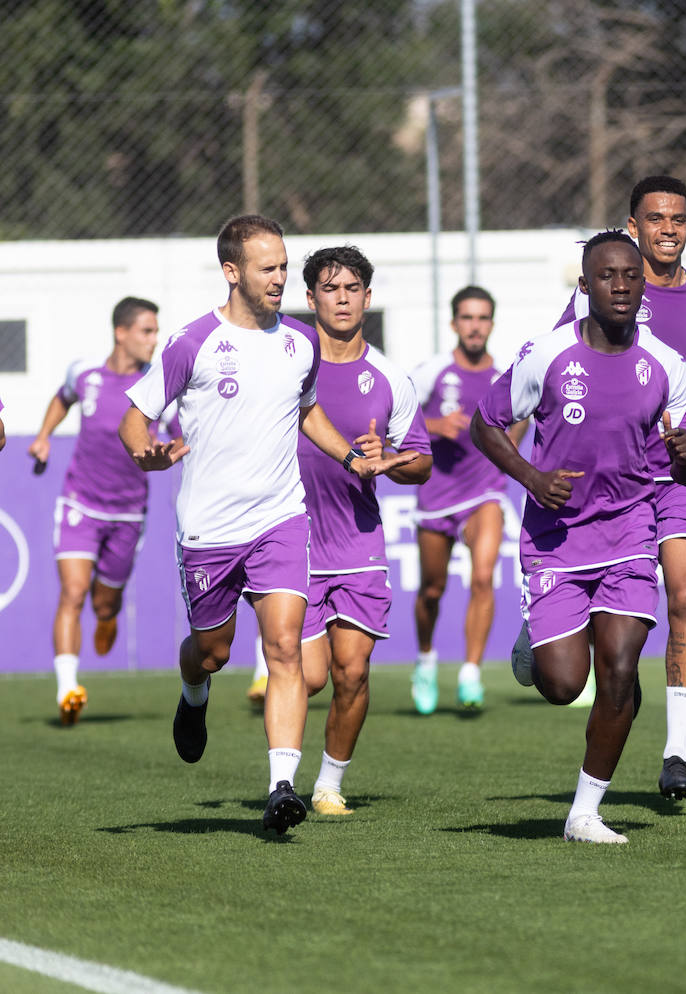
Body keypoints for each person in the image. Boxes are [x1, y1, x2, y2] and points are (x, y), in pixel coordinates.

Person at [118, 214, 415, 835]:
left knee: (285, 650)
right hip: (207, 528)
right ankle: (194, 691)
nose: (280, 278)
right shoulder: (190, 342)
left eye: (283, 266)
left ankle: (282, 785)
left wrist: (353, 457)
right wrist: (143, 450)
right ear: (233, 272)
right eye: (267, 268)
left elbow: (308, 413)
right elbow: (135, 417)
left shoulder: (299, 344)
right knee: (214, 651)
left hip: (280, 520)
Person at [471, 230, 686, 844]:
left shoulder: (666, 366)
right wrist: (532, 477)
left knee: (620, 672)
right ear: (585, 286)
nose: (621, 285)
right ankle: (534, 639)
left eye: (631, 276)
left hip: (630, 530)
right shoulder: (546, 357)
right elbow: (485, 424)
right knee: (564, 684)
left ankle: (583, 813)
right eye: (607, 276)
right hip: (556, 539)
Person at [554, 175, 686, 803]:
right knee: (604, 641)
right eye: (655, 219)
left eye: (678, 219)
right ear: (632, 226)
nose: (668, 229)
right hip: (618, 478)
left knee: (685, 596)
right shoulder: (605, 291)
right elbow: (562, 371)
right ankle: (552, 628)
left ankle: (677, 754)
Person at [295, 244, 432, 815]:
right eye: (330, 288)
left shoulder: (390, 377)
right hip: (292, 542)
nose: (342, 298)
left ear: (367, 298)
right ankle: (283, 773)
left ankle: (328, 785)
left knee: (352, 672)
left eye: (352, 288)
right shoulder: (288, 364)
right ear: (311, 299)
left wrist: (390, 456)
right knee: (309, 677)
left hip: (357, 543)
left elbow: (423, 463)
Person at [27, 297, 161, 723]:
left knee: (104, 604)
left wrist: (164, 452)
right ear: (121, 332)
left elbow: (176, 436)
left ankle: (109, 615)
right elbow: (60, 398)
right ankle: (68, 689)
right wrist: (45, 435)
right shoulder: (84, 374)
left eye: (156, 331)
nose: (154, 340)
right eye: (147, 331)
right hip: (79, 503)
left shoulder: (157, 386)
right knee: (73, 593)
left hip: (127, 513)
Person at [409, 286, 526, 714]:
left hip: (485, 493)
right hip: (436, 496)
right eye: (467, 318)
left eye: (482, 318)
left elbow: (524, 412)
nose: (475, 326)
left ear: (491, 324)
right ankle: (424, 661)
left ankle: (471, 671)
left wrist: (507, 447)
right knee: (432, 589)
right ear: (454, 323)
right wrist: (434, 425)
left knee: (482, 578)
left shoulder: (504, 376)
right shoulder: (433, 372)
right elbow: (396, 415)